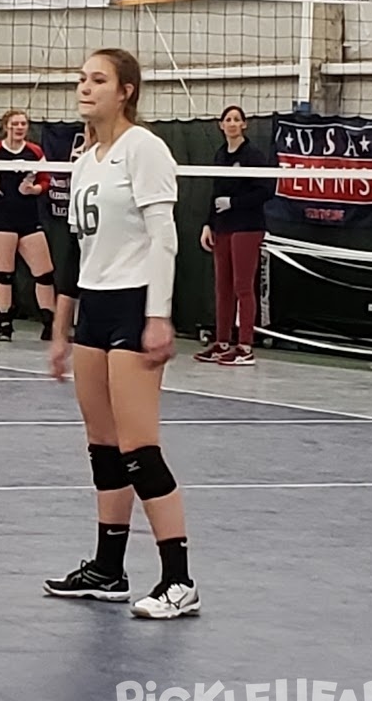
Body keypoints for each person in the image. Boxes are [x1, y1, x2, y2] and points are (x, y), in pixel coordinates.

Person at [43, 48, 199, 620]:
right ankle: (108, 568)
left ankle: (179, 581)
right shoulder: (85, 157)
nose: (86, 87)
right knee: (103, 448)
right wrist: (61, 330)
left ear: (126, 90)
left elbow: (165, 239)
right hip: (95, 309)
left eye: (99, 79)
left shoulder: (145, 149)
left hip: (135, 304)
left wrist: (158, 315)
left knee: (139, 450)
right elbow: (75, 252)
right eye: (82, 78)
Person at [194, 104, 273, 367]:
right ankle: (223, 342)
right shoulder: (220, 156)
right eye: (227, 119)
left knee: (242, 286)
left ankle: (246, 346)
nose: (231, 123)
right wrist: (208, 224)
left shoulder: (253, 155)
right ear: (221, 125)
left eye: (236, 119)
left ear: (244, 125)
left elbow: (266, 190)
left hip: (247, 226)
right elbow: (215, 191)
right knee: (222, 287)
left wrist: (235, 203)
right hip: (223, 227)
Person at [0, 110, 56, 342]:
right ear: (6, 126)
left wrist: (35, 190)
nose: (20, 127)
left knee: (44, 273)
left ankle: (49, 323)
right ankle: (4, 325)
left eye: (23, 123)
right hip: (1, 217)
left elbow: (46, 179)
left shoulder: (35, 152)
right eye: (15, 124)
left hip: (29, 217)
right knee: (4, 273)